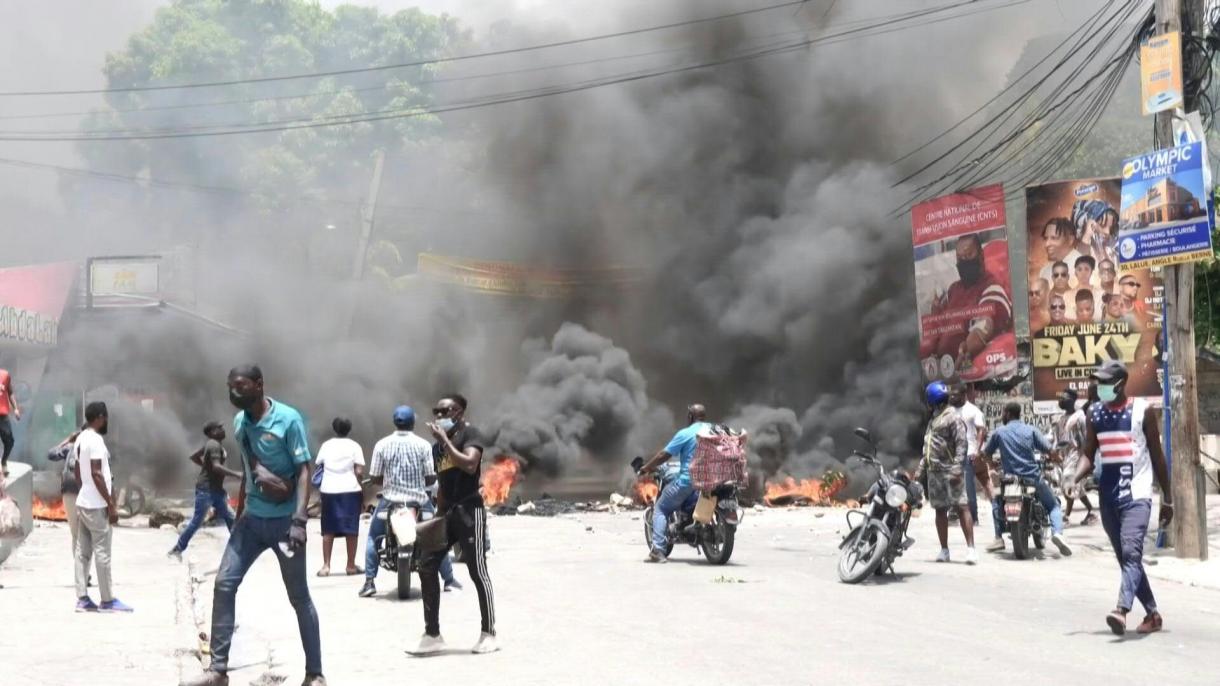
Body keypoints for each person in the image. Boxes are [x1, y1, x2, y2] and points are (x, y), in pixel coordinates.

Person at [182, 365, 325, 686]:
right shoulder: (239, 424)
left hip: (286, 524)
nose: (234, 393)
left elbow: (304, 471)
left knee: (299, 597)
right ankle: (218, 671)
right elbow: (248, 472)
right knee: (224, 585)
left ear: (259, 385)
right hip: (251, 523)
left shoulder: (288, 420)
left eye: (241, 386)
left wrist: (300, 521)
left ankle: (315, 674)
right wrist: (241, 513)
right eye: (230, 387)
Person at [1067, 360, 1172, 636]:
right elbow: (1089, 453)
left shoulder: (1142, 411)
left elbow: (1158, 457)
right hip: (1108, 496)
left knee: (1130, 552)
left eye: (1104, 382)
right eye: (1098, 383)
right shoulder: (1095, 414)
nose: (1099, 387)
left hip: (1137, 494)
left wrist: (1168, 498)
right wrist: (1073, 478)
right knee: (1128, 559)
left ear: (1121, 383)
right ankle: (1153, 614)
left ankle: (1121, 610)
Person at [410, 394, 497, 656]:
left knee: (477, 571)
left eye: (444, 411)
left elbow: (470, 465)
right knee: (426, 565)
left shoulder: (471, 434)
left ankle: (489, 632)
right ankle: (432, 634)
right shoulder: (437, 447)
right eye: (436, 411)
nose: (438, 416)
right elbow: (443, 485)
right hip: (447, 513)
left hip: (470, 511)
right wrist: (437, 516)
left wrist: (445, 441)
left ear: (458, 412)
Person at [359, 406, 458, 597]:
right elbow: (430, 479)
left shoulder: (382, 444)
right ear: (413, 422)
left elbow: (376, 477)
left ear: (395, 422)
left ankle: (369, 582)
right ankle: (449, 580)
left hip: (389, 501)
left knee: (374, 537)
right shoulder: (422, 445)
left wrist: (388, 480)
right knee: (438, 536)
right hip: (419, 501)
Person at [981, 402, 1072, 556]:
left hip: (1009, 480)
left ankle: (998, 538)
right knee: (1053, 504)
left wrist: (991, 464)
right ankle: (1057, 533)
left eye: (1003, 412)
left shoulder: (999, 432)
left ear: (1008, 413)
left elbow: (986, 454)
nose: (1002, 415)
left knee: (997, 501)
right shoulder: (1031, 430)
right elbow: (1050, 450)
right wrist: (1057, 459)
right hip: (1032, 477)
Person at [918, 233, 1013, 376]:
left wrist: (969, 347)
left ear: (981, 256)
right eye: (959, 258)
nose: (963, 262)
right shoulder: (954, 289)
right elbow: (937, 321)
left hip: (962, 370)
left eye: (968, 256)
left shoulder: (992, 288)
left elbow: (984, 323)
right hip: (937, 367)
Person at [73, 401, 133, 613]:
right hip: (97, 505)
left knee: (82, 552)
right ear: (99, 417)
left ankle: (82, 599)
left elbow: (78, 471)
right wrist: (111, 504)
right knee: (102, 552)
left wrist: (85, 490)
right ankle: (107, 601)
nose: (107, 420)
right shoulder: (96, 440)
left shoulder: (80, 438)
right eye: (105, 416)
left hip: (83, 502)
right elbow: (97, 473)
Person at [637, 404, 713, 563]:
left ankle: (657, 550)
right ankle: (690, 523)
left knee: (661, 508)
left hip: (689, 481)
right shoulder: (715, 430)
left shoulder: (686, 433)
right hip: (712, 481)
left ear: (691, 417)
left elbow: (663, 455)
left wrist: (647, 467)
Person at [917, 382, 976, 564]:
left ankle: (971, 550)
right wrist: (920, 471)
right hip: (934, 473)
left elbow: (961, 444)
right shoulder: (934, 419)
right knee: (940, 511)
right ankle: (944, 550)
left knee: (962, 507)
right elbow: (928, 447)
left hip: (951, 472)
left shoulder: (952, 418)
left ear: (933, 400)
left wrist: (958, 467)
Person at [169, 422, 241, 561]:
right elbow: (216, 467)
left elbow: (194, 457)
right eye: (219, 428)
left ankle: (238, 551)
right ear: (212, 432)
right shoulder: (213, 444)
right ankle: (177, 549)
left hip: (216, 490)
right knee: (197, 522)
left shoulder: (211, 444)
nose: (222, 429)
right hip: (207, 490)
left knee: (231, 518)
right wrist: (237, 474)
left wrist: (205, 466)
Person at [315, 417, 365, 577]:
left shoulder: (326, 445)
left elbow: (319, 464)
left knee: (328, 529)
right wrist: (361, 485)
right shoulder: (354, 446)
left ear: (334, 428)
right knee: (351, 528)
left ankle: (326, 566)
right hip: (350, 490)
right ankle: (350, 565)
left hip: (329, 490)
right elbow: (359, 471)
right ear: (349, 429)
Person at [1056, 389, 1096, 526]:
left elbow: (1087, 438)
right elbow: (1059, 439)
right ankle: (1091, 512)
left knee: (1070, 481)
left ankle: (1066, 516)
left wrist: (1087, 458)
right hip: (1066, 457)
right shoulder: (1061, 419)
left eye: (1065, 397)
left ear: (1072, 400)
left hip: (1077, 455)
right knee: (1075, 487)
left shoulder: (1079, 417)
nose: (1061, 400)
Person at [949, 386, 989, 526]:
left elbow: (981, 431)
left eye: (955, 395)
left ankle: (974, 516)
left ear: (963, 395)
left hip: (968, 453)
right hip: (951, 454)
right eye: (951, 395)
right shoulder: (949, 410)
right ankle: (954, 515)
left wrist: (977, 451)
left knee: (967, 487)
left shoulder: (973, 410)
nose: (952, 398)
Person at [1039, 218, 1083, 289]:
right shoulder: (1044, 271)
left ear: (1070, 240)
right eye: (1045, 238)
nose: (1047, 244)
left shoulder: (1083, 268)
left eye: (1054, 238)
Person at [0, 367, 19, 476]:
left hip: (3, 415)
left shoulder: (5, 374)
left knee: (10, 442)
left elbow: (10, 392)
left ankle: (3, 461)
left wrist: (15, 408)